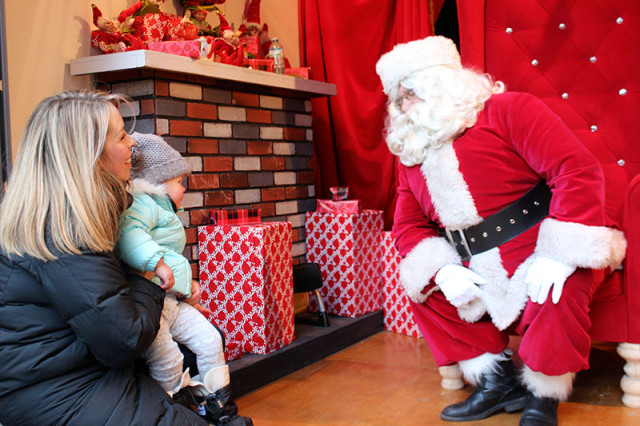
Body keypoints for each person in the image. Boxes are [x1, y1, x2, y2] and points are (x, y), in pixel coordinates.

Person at [375, 36, 627, 425]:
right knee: (425, 286)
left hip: (541, 242)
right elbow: (408, 225)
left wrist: (559, 254)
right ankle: (497, 382)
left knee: (559, 289)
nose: (402, 106)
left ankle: (543, 394)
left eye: (411, 94)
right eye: (397, 99)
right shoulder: (411, 153)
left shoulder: (509, 110)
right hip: (474, 263)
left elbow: (576, 170)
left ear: (443, 84)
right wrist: (443, 270)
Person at [0, 91, 207, 424]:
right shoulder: (66, 228)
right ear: (89, 153)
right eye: (121, 136)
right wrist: (149, 278)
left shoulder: (78, 214)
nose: (133, 145)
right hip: (60, 395)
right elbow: (123, 338)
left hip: (79, 378)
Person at [118, 132, 252, 425]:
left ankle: (220, 409)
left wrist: (185, 286)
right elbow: (130, 237)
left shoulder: (163, 210)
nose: (184, 189)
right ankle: (171, 414)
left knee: (209, 339)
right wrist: (159, 263)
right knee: (168, 363)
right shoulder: (141, 205)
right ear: (157, 183)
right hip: (151, 308)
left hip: (170, 303)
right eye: (179, 182)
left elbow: (172, 258)